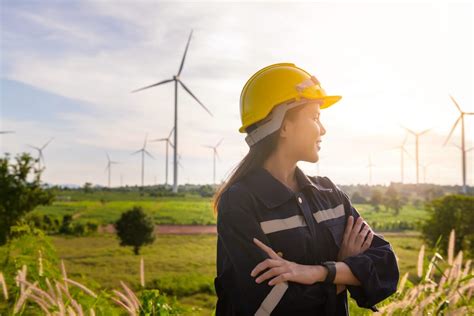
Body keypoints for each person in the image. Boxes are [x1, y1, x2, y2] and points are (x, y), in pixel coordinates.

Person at [212, 63, 399, 315]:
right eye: (315, 117)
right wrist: (344, 272)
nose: (323, 129)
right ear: (284, 126)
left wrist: (317, 273)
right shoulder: (240, 203)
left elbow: (386, 266)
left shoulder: (330, 195)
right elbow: (272, 303)